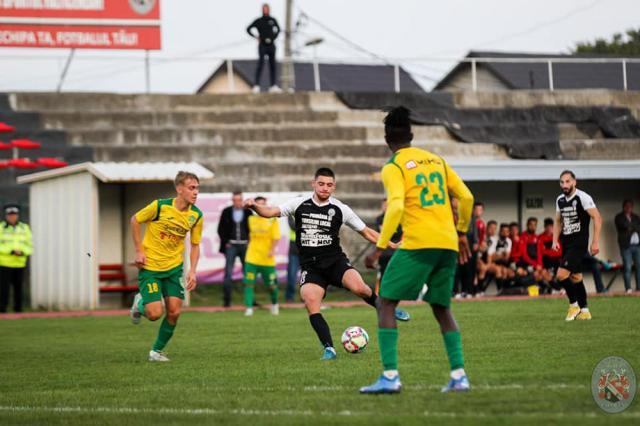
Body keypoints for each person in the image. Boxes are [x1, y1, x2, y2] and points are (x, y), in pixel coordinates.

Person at [360, 106, 474, 394]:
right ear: (411, 136)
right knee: (441, 308)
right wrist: (461, 232)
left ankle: (389, 376)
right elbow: (466, 196)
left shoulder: (393, 166)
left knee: (385, 303)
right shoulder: (436, 160)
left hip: (419, 244)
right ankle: (459, 376)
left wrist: (379, 248)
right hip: (447, 243)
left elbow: (396, 205)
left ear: (388, 139)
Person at [244, 167, 410, 360]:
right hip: (311, 267)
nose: (325, 188)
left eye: (329, 185)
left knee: (360, 288)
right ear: (313, 184)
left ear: (334, 187)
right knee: (310, 301)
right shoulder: (299, 204)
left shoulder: (341, 208)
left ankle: (385, 307)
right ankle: (329, 348)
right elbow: (270, 211)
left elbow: (366, 231)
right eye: (321, 184)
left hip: (335, 262)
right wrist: (254, 206)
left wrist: (390, 244)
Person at [129, 171, 203, 362]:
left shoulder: (196, 215)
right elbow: (135, 220)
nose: (196, 192)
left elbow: (195, 245)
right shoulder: (160, 207)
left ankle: (156, 352)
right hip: (151, 267)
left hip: (173, 269)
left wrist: (192, 271)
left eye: (197, 188)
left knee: (175, 312)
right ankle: (139, 303)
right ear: (179, 189)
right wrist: (139, 251)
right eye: (191, 188)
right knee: (154, 314)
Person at [553, 170, 601, 321]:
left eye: (567, 181)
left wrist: (595, 241)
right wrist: (555, 240)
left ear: (574, 182)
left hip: (578, 244)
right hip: (566, 244)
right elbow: (558, 221)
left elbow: (597, 218)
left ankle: (574, 305)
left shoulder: (583, 197)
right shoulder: (560, 200)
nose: (564, 185)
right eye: (562, 182)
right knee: (576, 277)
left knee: (561, 275)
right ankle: (585, 311)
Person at [243, 196, 280, 316]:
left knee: (272, 285)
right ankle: (249, 308)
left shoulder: (272, 220)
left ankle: (274, 304)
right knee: (249, 283)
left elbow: (276, 237)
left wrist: (272, 250)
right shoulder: (250, 219)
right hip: (252, 257)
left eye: (261, 205)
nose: (259, 207)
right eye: (257, 205)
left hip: (267, 259)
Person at [217, 191, 252, 307]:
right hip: (231, 245)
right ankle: (227, 301)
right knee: (228, 273)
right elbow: (220, 229)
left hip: (245, 245)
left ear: (242, 200)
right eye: (235, 200)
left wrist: (250, 242)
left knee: (248, 273)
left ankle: (250, 301)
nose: (237, 202)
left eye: (239, 200)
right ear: (232, 201)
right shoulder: (226, 212)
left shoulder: (248, 212)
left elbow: (253, 228)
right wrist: (226, 242)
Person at [0, 204, 32, 313]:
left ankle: (18, 310)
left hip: (19, 263)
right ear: (6, 216)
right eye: (10, 215)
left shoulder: (24, 228)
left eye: (14, 215)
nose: (12, 217)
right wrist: (11, 251)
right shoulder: (1, 228)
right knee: (4, 289)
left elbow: (30, 245)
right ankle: (2, 310)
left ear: (17, 215)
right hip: (4, 263)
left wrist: (23, 252)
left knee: (18, 289)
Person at [246, 3, 281, 93]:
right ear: (262, 10)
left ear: (269, 9)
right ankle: (256, 85)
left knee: (272, 65)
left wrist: (273, 37)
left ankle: (273, 86)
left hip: (271, 45)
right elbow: (248, 29)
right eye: (264, 9)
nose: (265, 10)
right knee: (260, 64)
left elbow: (278, 30)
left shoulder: (272, 20)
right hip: (262, 45)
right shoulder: (259, 21)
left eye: (266, 9)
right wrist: (256, 37)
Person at [614, 199, 640, 293]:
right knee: (627, 267)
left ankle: (638, 288)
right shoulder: (619, 217)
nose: (629, 208)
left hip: (637, 246)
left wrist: (631, 227)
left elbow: (637, 227)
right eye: (627, 206)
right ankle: (628, 288)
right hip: (626, 246)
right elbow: (624, 226)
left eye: (630, 206)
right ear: (624, 207)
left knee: (638, 266)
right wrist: (633, 227)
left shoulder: (636, 217)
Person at [375, 199, 402, 281]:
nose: (385, 207)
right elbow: (382, 232)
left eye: (387, 205)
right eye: (384, 205)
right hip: (384, 251)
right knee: (384, 272)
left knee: (396, 273)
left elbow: (398, 232)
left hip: (395, 249)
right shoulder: (379, 218)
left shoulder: (398, 218)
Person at [537, 217, 562, 293]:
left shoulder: (556, 237)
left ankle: (560, 289)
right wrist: (540, 265)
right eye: (547, 227)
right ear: (545, 227)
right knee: (545, 275)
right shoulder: (540, 237)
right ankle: (557, 289)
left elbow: (559, 252)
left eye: (551, 227)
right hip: (546, 261)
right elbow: (540, 252)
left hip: (557, 260)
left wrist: (547, 251)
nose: (549, 229)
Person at [285, 215, 300, 303]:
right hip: (294, 250)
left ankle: (305, 297)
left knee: (308, 277)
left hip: (306, 250)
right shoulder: (291, 214)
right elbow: (293, 226)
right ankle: (289, 297)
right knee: (291, 276)